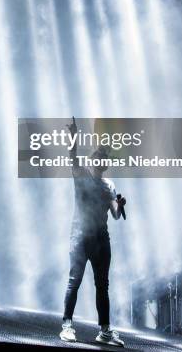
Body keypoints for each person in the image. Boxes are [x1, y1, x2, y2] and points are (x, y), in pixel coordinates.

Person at [59, 117, 126, 346]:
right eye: (97, 156)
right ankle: (67, 325)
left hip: (101, 239)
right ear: (91, 160)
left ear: (105, 164)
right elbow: (72, 155)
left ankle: (105, 331)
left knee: (102, 285)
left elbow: (116, 215)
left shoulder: (109, 185)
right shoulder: (81, 175)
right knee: (74, 280)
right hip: (80, 235)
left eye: (103, 158)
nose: (100, 159)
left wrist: (120, 205)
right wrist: (73, 136)